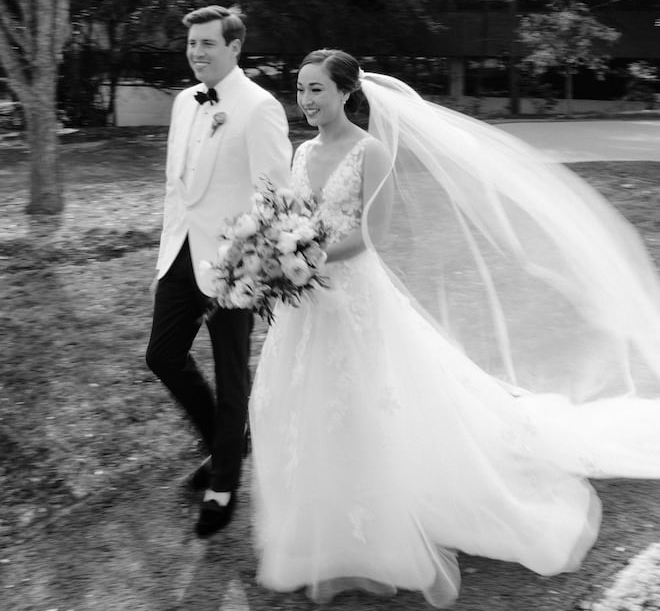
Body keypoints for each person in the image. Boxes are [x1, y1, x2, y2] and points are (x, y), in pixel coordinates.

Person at [249, 49, 660, 607]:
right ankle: (315, 530)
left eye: (316, 89)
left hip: (355, 299)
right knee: (304, 403)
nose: (306, 100)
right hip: (307, 303)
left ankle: (376, 532)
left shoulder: (369, 152)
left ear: (347, 92)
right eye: (300, 90)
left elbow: (374, 233)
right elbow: (294, 217)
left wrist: (306, 258)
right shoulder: (301, 153)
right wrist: (279, 256)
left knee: (365, 404)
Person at [146, 5, 292, 537]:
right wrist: (167, 250)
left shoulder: (259, 108)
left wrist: (254, 266)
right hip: (179, 255)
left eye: (208, 43)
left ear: (235, 47)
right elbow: (176, 185)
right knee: (162, 355)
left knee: (233, 380)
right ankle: (228, 443)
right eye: (192, 43)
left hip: (236, 265)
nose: (197, 52)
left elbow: (275, 195)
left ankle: (224, 484)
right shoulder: (185, 101)